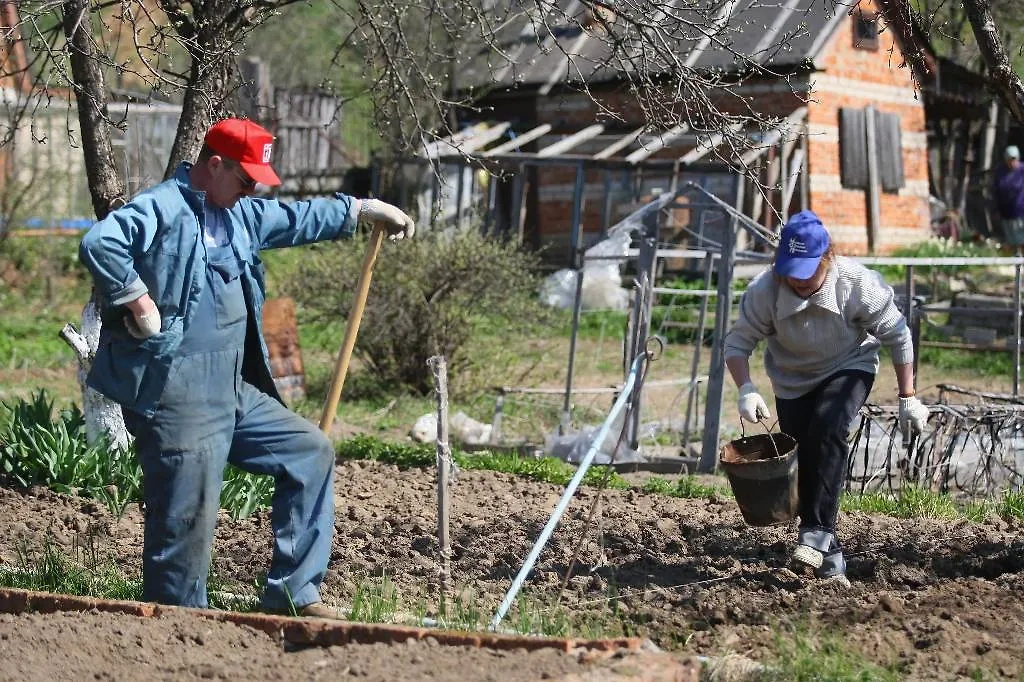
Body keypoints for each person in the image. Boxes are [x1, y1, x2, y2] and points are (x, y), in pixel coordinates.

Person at [79, 118, 415, 617]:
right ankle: (177, 626)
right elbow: (100, 243)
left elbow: (295, 218)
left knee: (309, 452)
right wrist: (138, 300)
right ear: (215, 166)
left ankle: (294, 596)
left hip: (231, 389)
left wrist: (359, 209)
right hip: (175, 393)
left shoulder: (239, 215)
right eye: (245, 179)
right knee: (186, 522)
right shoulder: (163, 208)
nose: (252, 189)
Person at [723, 210, 929, 586]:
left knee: (829, 427)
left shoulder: (856, 284)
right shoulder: (765, 291)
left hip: (847, 365)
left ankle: (815, 532)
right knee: (805, 459)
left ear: (827, 258)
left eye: (807, 269)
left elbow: (898, 334)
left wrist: (907, 396)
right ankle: (831, 562)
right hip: (792, 380)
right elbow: (738, 341)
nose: (797, 280)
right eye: (790, 270)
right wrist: (746, 387)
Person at [994, 145, 1024, 252]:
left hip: (1021, 213)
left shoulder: (1022, 170)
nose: (1012, 162)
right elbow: (997, 191)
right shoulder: (1000, 171)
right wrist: (997, 210)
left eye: (1014, 159)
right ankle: (1017, 267)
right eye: (1009, 159)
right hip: (1007, 214)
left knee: (1022, 241)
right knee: (1012, 243)